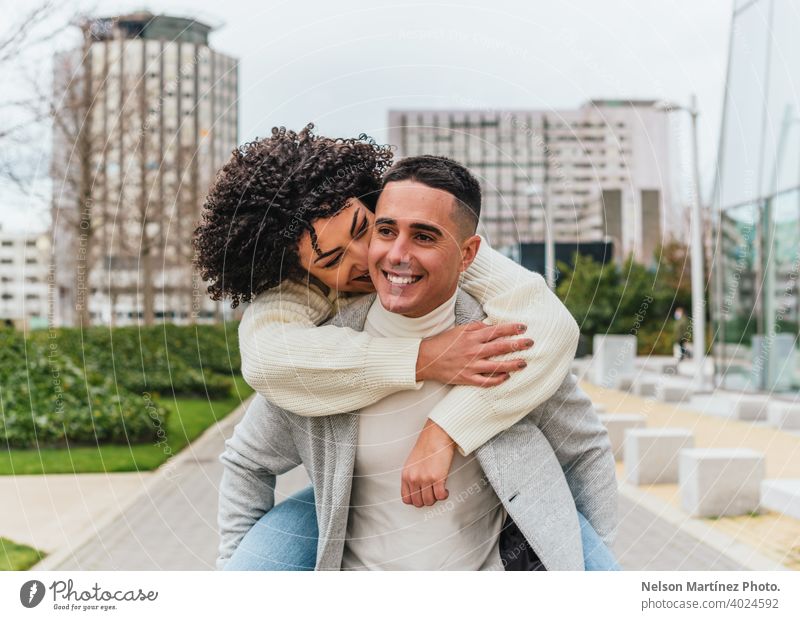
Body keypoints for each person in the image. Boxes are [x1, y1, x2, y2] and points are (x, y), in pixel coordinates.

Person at [210, 152, 619, 570]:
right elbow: (252, 437)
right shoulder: (317, 359)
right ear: (305, 275)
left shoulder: (499, 335)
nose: (371, 253)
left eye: (367, 228)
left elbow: (582, 443)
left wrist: (590, 555)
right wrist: (423, 358)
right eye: (332, 261)